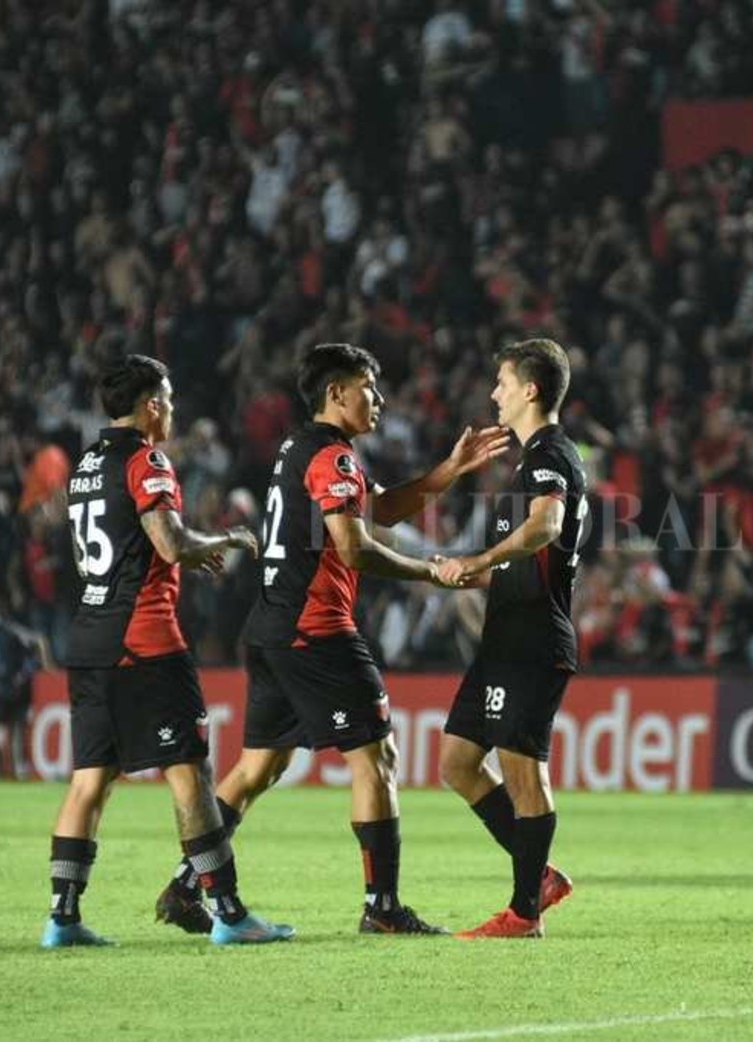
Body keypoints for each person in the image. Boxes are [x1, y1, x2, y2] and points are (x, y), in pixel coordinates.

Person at [156, 343, 509, 936]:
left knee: (257, 769)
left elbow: (380, 512)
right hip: (315, 631)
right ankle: (383, 907)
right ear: (337, 393)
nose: (379, 400)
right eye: (369, 388)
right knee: (376, 758)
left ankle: (187, 884)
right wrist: (433, 571)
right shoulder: (332, 458)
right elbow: (354, 546)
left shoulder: (305, 450)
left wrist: (447, 472)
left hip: (271, 630)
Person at [43, 354, 291, 947]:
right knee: (190, 772)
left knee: (89, 781)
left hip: (90, 636)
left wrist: (175, 550)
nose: (174, 410)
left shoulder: (84, 466)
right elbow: (170, 541)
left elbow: (101, 552)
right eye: (170, 399)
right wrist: (226, 538)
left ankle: (62, 918)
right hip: (146, 639)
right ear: (152, 403)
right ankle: (229, 913)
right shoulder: (146, 459)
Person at [435, 339, 587, 939]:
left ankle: (524, 913)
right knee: (457, 763)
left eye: (502, 382)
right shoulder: (528, 462)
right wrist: (473, 570)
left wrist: (483, 558)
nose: (494, 393)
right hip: (504, 641)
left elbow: (546, 526)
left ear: (530, 390)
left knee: (524, 775)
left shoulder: (553, 452)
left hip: (533, 640)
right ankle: (540, 878)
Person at [0, 598, 49, 779]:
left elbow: (38, 644)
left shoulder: (11, 632)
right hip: (0, 691)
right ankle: (1, 775)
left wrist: (27, 673)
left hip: (13, 692)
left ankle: (4, 775)